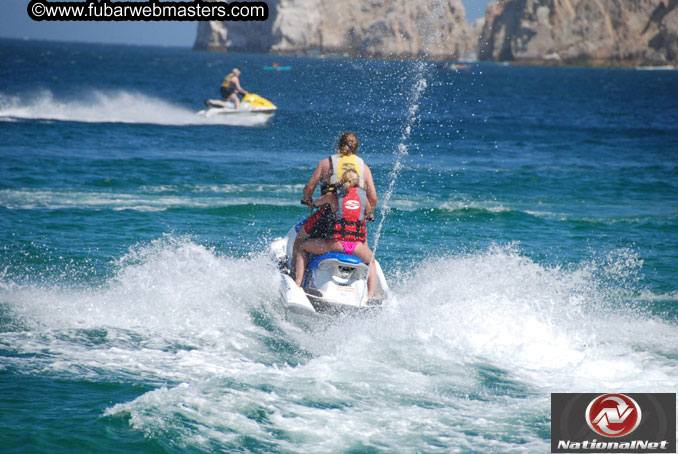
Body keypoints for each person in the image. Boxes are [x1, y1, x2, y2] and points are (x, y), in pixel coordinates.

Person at [291, 132, 377, 275]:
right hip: (355, 220)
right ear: (356, 147)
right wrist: (366, 213)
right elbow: (373, 197)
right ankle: (366, 281)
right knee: (363, 244)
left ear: (339, 144)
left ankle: (294, 273)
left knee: (300, 237)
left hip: (328, 216)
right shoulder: (364, 167)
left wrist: (308, 200)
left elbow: (309, 187)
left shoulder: (327, 163)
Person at [294, 169, 377, 298]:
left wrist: (313, 203)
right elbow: (369, 213)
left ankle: (297, 284)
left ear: (343, 180)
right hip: (356, 247)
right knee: (371, 261)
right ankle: (371, 294)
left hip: (336, 244)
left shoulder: (333, 196)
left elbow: (317, 202)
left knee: (303, 247)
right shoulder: (363, 197)